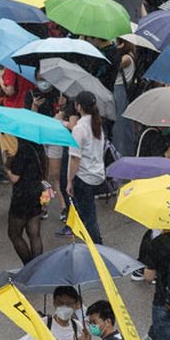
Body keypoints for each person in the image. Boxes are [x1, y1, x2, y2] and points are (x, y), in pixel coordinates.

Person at [68, 90, 108, 243]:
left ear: (78, 106)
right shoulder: (97, 124)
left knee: (88, 218)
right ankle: (95, 244)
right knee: (90, 215)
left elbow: (75, 159)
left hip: (83, 178)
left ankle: (96, 248)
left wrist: (69, 181)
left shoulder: (79, 129)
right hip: (97, 175)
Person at [5, 136, 46, 264]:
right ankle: (37, 266)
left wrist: (7, 166)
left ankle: (29, 265)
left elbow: (14, 178)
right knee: (34, 234)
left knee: (14, 234)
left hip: (22, 196)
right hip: (36, 191)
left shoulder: (23, 150)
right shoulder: (39, 147)